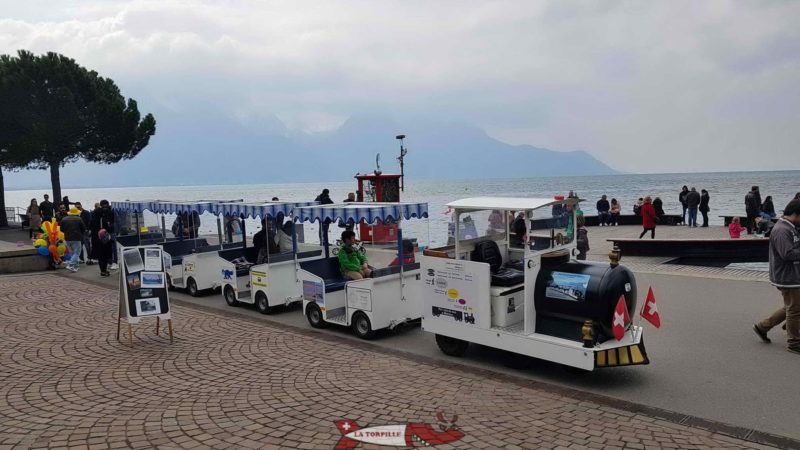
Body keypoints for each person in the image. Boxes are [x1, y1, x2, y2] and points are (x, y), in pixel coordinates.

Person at [752, 199, 800, 355]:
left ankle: (762, 326)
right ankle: (794, 342)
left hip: (792, 274)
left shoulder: (790, 227)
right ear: (795, 214)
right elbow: (787, 254)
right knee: (793, 310)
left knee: (791, 307)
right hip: (788, 276)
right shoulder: (781, 230)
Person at [90, 200, 115, 277]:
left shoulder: (94, 216)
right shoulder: (107, 215)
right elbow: (111, 227)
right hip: (105, 239)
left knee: (101, 256)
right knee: (106, 254)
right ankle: (105, 269)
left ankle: (103, 270)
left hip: (97, 239)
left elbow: (90, 226)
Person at [60, 207, 86, 273]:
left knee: (72, 253)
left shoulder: (64, 219)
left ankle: (75, 266)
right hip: (77, 238)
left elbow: (61, 229)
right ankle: (71, 264)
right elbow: (83, 229)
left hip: (67, 238)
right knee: (77, 253)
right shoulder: (79, 219)